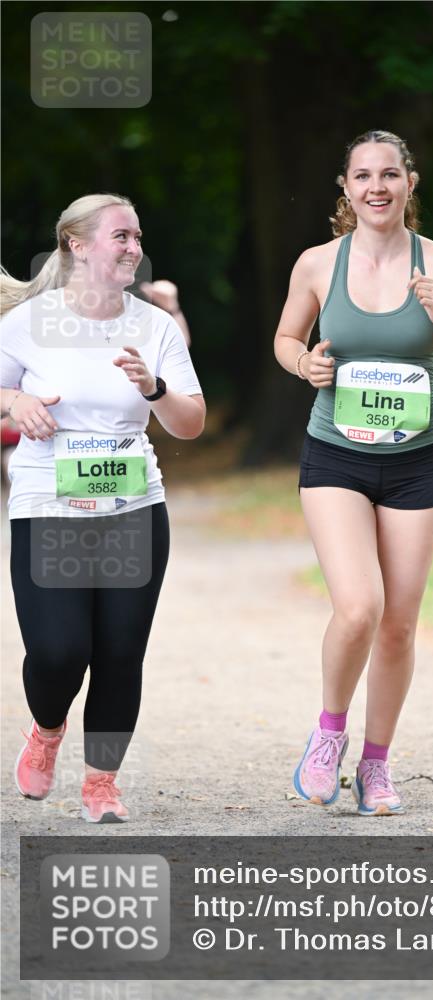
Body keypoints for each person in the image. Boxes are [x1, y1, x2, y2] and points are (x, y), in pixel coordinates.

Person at [274, 130, 433, 816]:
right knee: (358, 607)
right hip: (336, 454)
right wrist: (303, 363)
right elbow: (286, 338)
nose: (377, 186)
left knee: (398, 624)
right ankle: (327, 735)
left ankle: (375, 767)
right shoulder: (316, 263)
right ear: (344, 187)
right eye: (362, 175)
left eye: (389, 174)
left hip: (416, 463)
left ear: (409, 183)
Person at [1, 194, 205, 822]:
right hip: (48, 506)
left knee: (120, 652)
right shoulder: (28, 322)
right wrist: (13, 402)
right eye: (121, 236)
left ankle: (101, 783)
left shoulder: (155, 326)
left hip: (133, 508)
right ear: (77, 245)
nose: (133, 248)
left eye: (137, 237)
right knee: (60, 652)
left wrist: (154, 387)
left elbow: (191, 422)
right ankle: (46, 728)